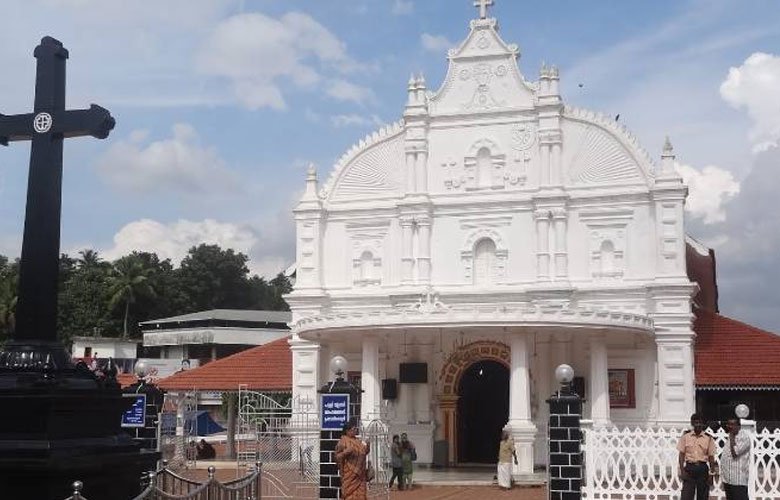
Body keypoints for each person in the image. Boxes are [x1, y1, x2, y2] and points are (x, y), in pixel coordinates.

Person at [677, 413, 718, 500]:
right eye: (696, 423)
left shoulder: (708, 438)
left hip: (702, 469)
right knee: (686, 496)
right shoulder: (686, 436)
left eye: (700, 423)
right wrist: (682, 471)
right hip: (689, 469)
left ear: (703, 424)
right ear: (692, 423)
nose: (698, 425)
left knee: (702, 496)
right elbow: (681, 455)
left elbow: (711, 457)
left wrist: (711, 474)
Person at [335, 417, 370, 500]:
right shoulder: (343, 441)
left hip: (360, 474)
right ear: (347, 431)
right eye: (353, 429)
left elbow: (364, 452)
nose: (355, 431)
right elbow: (337, 457)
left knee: (361, 495)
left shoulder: (358, 441)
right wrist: (346, 452)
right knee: (349, 495)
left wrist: (368, 446)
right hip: (350, 473)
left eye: (355, 429)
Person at [721, 418, 750, 500]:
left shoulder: (744, 437)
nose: (730, 426)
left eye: (733, 424)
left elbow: (735, 453)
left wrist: (732, 436)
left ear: (739, 426)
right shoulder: (730, 436)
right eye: (729, 424)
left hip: (738, 480)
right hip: (728, 479)